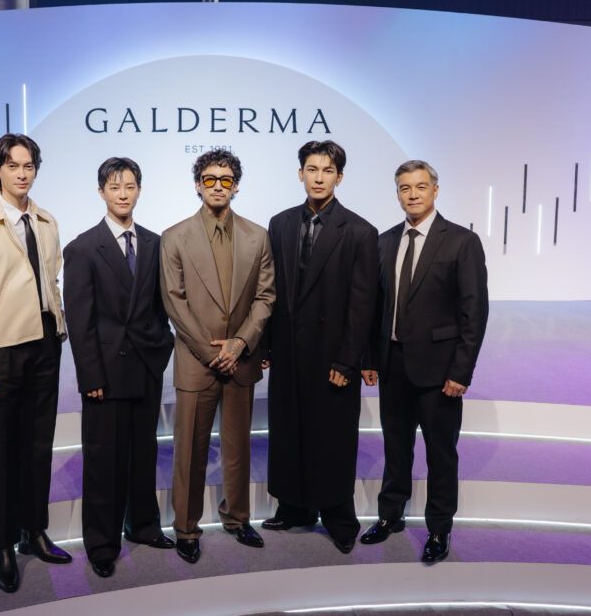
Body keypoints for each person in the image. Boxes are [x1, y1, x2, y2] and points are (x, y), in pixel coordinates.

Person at [0, 133, 71, 593]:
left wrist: (59, 325)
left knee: (39, 444)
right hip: (0, 351)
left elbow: (51, 280)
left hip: (45, 344)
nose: (22, 174)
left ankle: (33, 531)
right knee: (1, 450)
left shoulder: (46, 220)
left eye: (29, 166)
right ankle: (2, 544)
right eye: (13, 165)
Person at [360, 159, 488, 564]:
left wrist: (461, 371)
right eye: (404, 188)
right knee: (396, 448)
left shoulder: (462, 242)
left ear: (435, 190)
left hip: (440, 372)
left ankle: (439, 529)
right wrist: (370, 358)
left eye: (420, 186)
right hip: (392, 365)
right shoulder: (384, 241)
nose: (412, 194)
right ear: (397, 193)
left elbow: (474, 312)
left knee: (440, 454)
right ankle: (389, 515)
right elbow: (375, 307)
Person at [159, 149, 275, 564]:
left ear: (236, 185)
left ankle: (238, 518)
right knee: (189, 450)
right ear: (198, 184)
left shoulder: (258, 236)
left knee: (238, 448)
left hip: (240, 359)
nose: (218, 186)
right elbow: (174, 302)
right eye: (210, 179)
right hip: (197, 360)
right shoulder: (174, 237)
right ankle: (186, 528)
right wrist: (211, 351)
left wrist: (239, 344)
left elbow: (265, 297)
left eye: (226, 179)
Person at [262, 140, 378, 554]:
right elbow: (270, 290)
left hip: (332, 354)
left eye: (327, 171)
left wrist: (348, 360)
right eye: (311, 169)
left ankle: (339, 517)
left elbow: (363, 304)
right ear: (300, 174)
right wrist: (266, 346)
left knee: (333, 437)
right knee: (289, 429)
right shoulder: (280, 224)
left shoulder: (360, 231)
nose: (318, 177)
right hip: (288, 350)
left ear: (339, 177)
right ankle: (294, 508)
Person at [62, 157, 176, 578]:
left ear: (139, 190)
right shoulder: (82, 248)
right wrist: (90, 376)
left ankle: (143, 526)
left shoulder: (154, 242)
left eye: (129, 186)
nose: (123, 194)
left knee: (144, 453)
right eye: (114, 187)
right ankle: (102, 543)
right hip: (106, 374)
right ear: (101, 192)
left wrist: (161, 348)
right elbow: (80, 321)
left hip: (145, 366)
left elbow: (161, 307)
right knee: (104, 461)